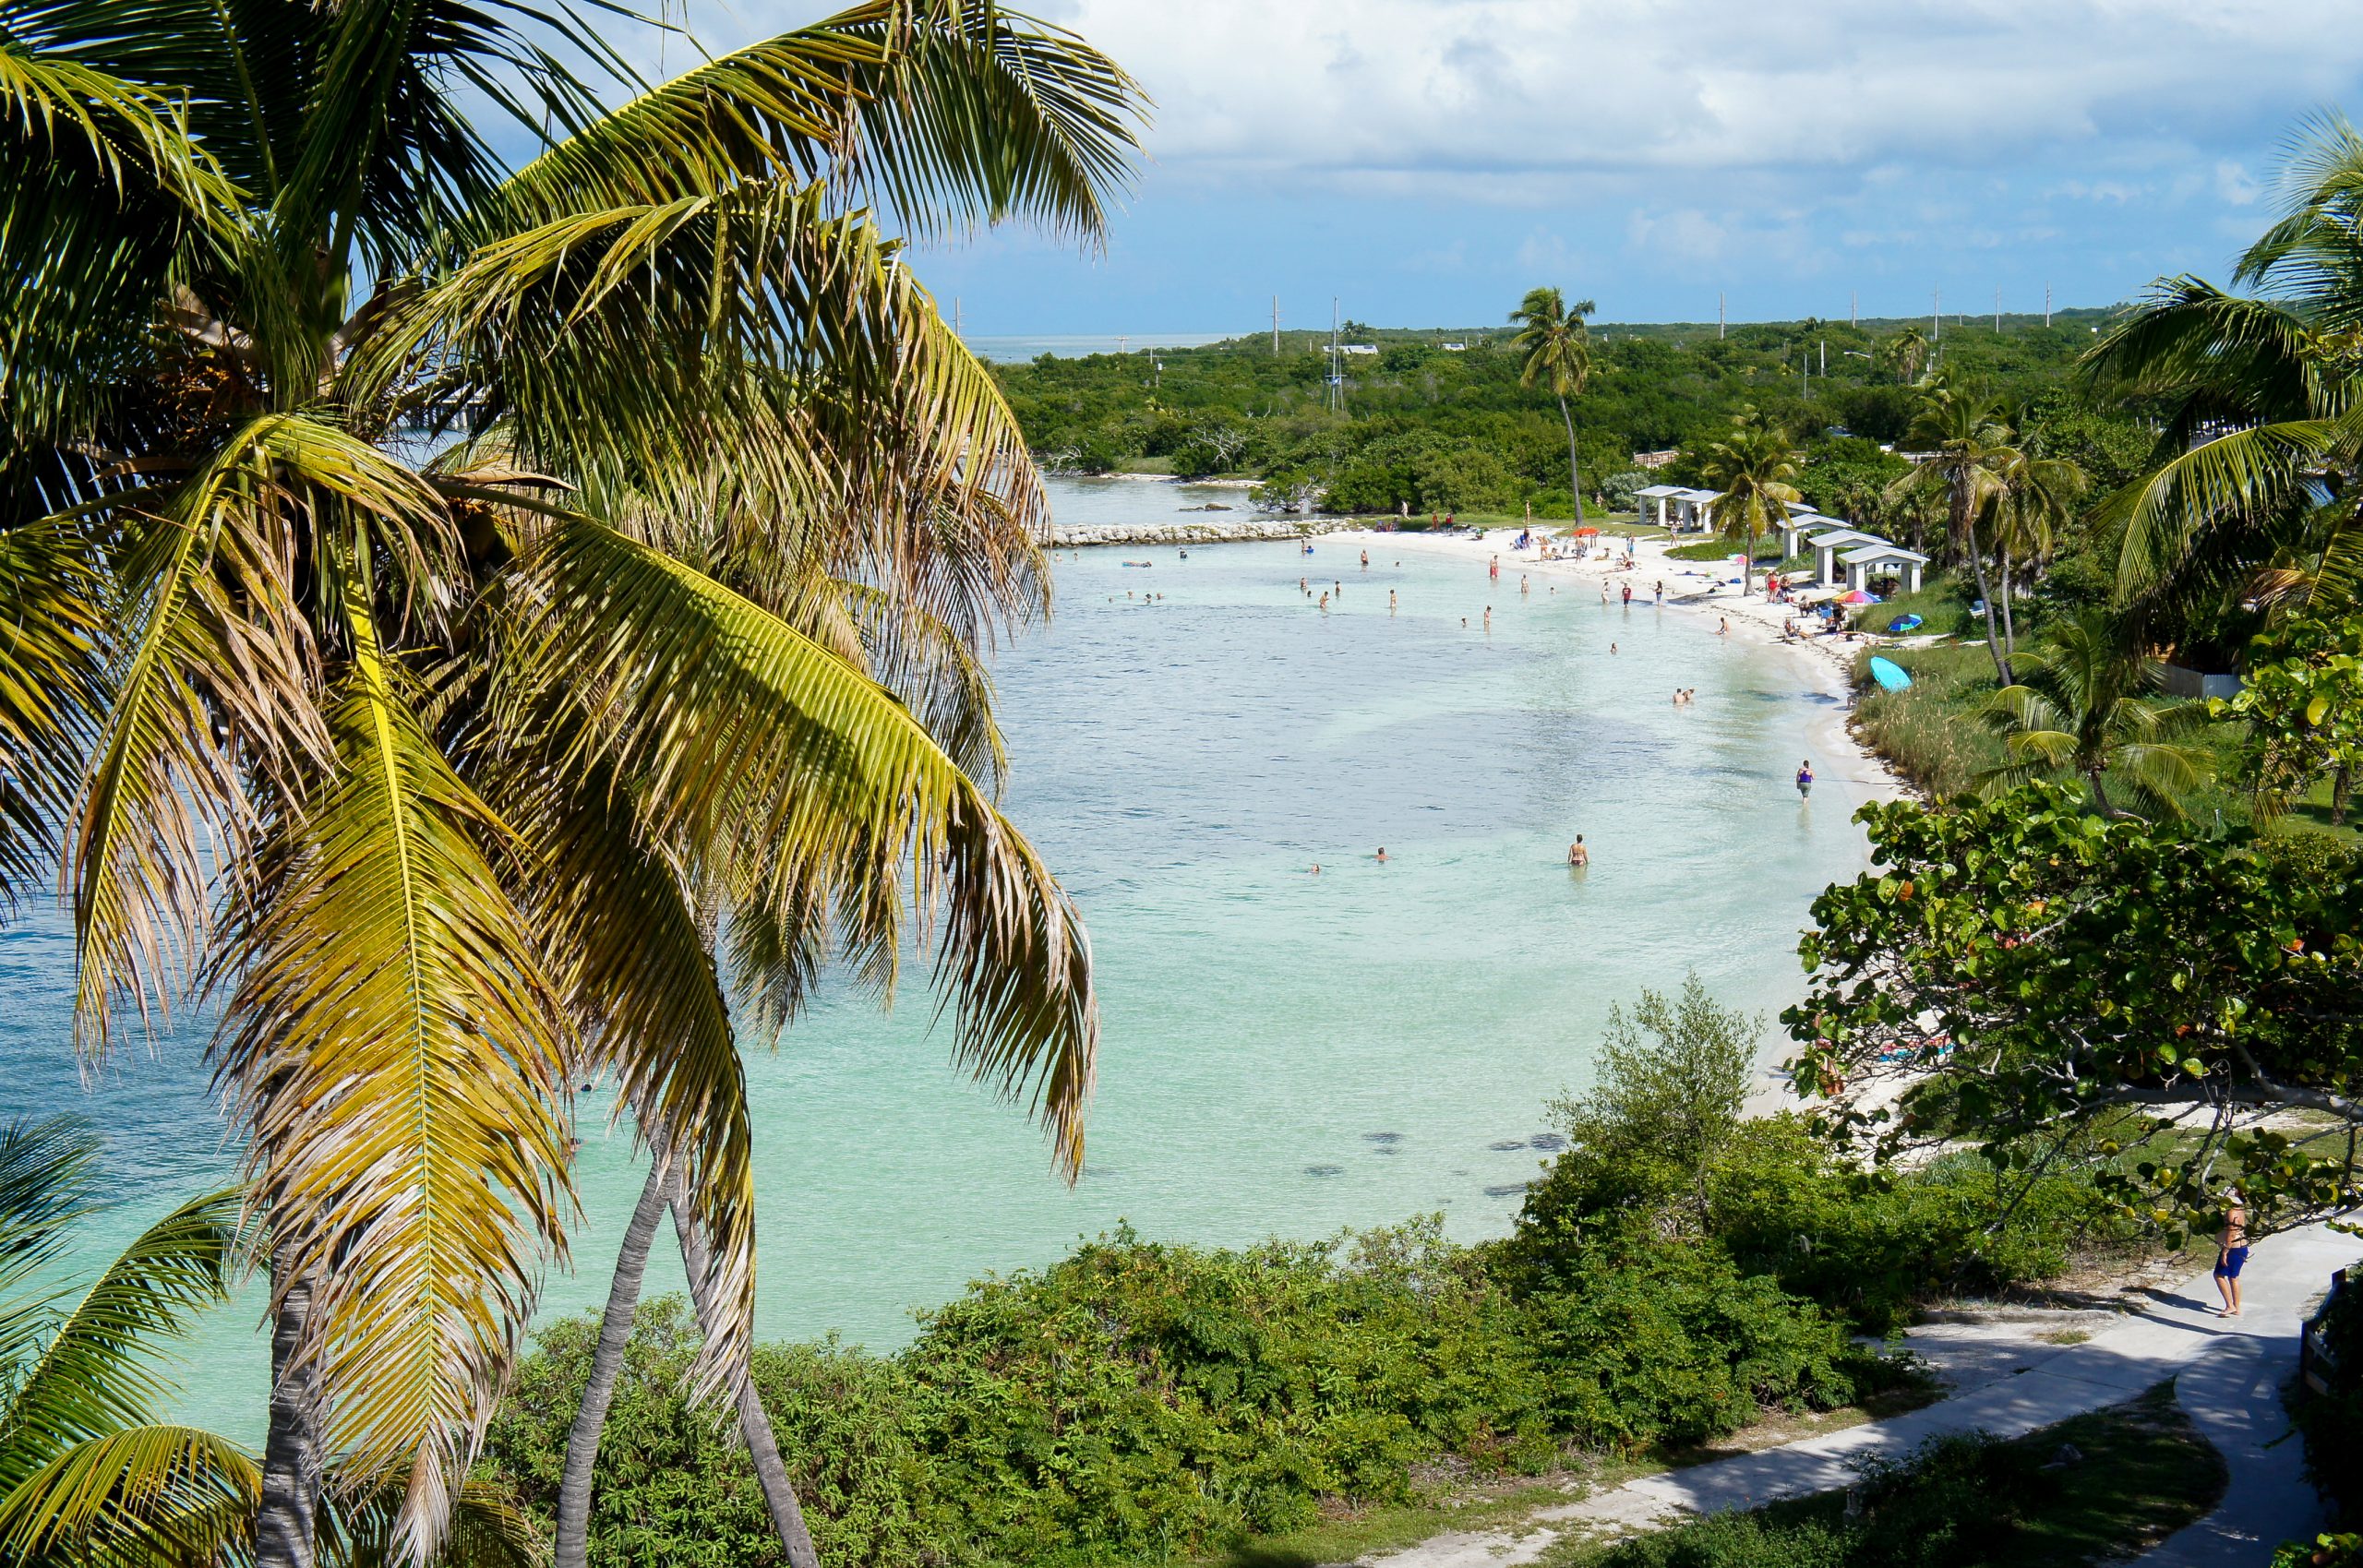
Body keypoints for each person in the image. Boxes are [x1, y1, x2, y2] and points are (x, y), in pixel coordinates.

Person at [2214, 1194, 2249, 1317]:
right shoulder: (2240, 1210)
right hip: (2242, 1247)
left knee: (2218, 1275)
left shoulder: (2231, 1213)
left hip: (2233, 1248)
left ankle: (2229, 1305)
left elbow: (2231, 1233)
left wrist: (2225, 1251)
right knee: (2234, 1277)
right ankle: (2236, 1307)